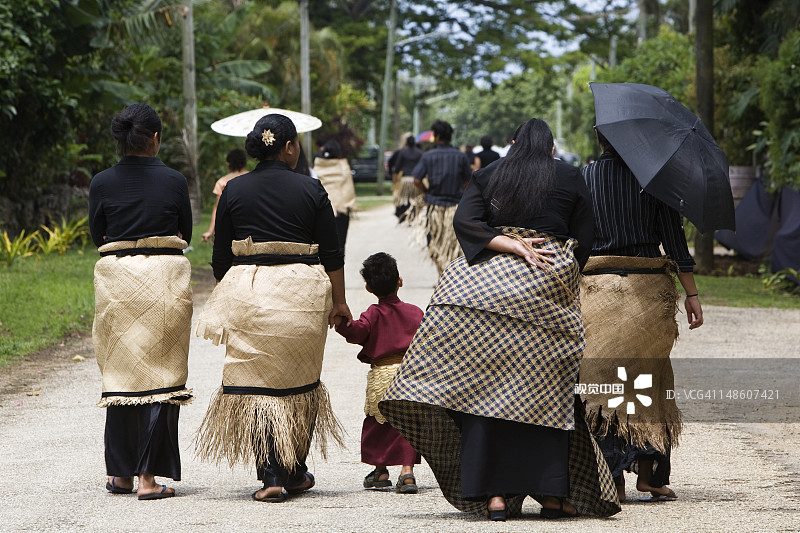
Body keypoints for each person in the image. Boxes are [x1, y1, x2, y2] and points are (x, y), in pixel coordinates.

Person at [380, 118, 620, 521]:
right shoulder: (569, 175)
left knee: (480, 391)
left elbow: (465, 223)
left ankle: (494, 495)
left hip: (478, 292)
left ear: (513, 144)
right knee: (545, 392)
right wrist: (560, 274)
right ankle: (550, 493)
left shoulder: (489, 173)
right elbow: (586, 239)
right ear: (551, 148)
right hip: (544, 286)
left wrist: (506, 242)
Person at [194, 113, 352, 503]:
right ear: (288, 147)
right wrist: (341, 302)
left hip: (248, 290)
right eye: (296, 144)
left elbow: (219, 260)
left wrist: (236, 294)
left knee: (258, 386)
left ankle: (271, 477)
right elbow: (332, 253)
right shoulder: (312, 189)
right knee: (300, 384)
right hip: (302, 294)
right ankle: (295, 472)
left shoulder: (234, 189)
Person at [579, 128, 703, 503]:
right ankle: (650, 476)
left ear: (599, 141)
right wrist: (692, 294)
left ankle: (610, 476)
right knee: (650, 378)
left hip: (596, 292)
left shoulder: (582, 177)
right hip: (649, 294)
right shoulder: (655, 181)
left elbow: (572, 237)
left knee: (602, 384)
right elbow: (675, 242)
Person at [89, 103, 193, 500]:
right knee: (162, 377)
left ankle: (120, 475)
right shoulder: (174, 180)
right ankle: (149, 480)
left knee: (121, 374)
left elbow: (99, 236)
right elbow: (183, 227)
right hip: (165, 279)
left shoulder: (101, 182)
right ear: (154, 137)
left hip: (117, 280)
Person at [335, 252, 423, 494]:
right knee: (409, 423)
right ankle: (407, 473)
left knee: (378, 423)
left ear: (368, 288)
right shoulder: (415, 313)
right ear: (400, 281)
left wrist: (342, 323)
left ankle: (381, 470)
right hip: (409, 374)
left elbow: (356, 333)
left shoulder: (373, 314)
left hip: (382, 376)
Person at [404, 119, 472, 274]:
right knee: (455, 245)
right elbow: (468, 180)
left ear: (437, 136)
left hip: (434, 206)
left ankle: (441, 274)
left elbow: (416, 179)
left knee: (434, 242)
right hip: (455, 207)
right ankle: (453, 276)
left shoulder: (428, 156)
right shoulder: (460, 156)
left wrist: (427, 192)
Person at [313, 139, 357, 254]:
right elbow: (349, 189)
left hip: (322, 208)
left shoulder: (317, 166)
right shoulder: (343, 166)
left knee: (322, 244)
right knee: (340, 244)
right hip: (340, 209)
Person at [202, 149, 247, 242]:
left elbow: (217, 208)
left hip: (229, 224)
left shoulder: (222, 182)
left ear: (228, 163)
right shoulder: (253, 178)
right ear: (244, 162)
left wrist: (210, 231)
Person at [391, 135, 424, 218]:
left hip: (405, 180)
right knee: (415, 199)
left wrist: (395, 176)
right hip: (415, 180)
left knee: (403, 198)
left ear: (406, 142)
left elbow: (397, 166)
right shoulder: (419, 152)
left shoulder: (403, 152)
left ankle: (403, 215)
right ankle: (413, 215)